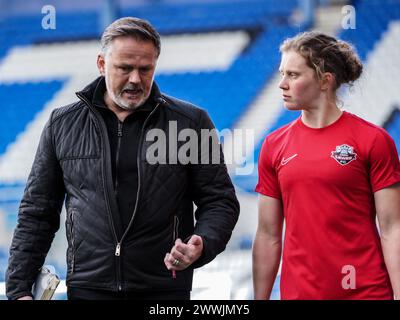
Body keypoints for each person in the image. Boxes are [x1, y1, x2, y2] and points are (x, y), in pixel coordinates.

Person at [6, 17, 240, 300]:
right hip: (89, 288)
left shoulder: (190, 122)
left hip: (164, 289)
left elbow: (219, 201)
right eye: (124, 68)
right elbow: (37, 211)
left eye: (145, 69)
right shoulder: (62, 124)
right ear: (102, 64)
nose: (135, 79)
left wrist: (201, 243)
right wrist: (19, 288)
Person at [252, 31, 400, 300]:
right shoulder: (274, 146)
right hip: (300, 294)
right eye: (282, 74)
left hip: (366, 292)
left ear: (324, 80)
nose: (282, 84)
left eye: (293, 75)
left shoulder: (373, 141)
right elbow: (267, 235)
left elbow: (392, 229)